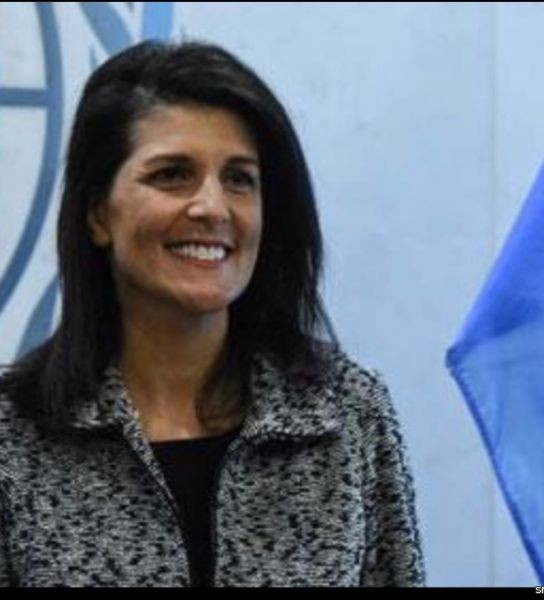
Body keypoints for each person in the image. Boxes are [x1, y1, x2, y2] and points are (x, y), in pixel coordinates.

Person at [0, 40, 425, 587]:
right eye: (171, 174)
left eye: (239, 179)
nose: (212, 207)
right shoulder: (13, 434)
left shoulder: (347, 412)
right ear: (98, 214)